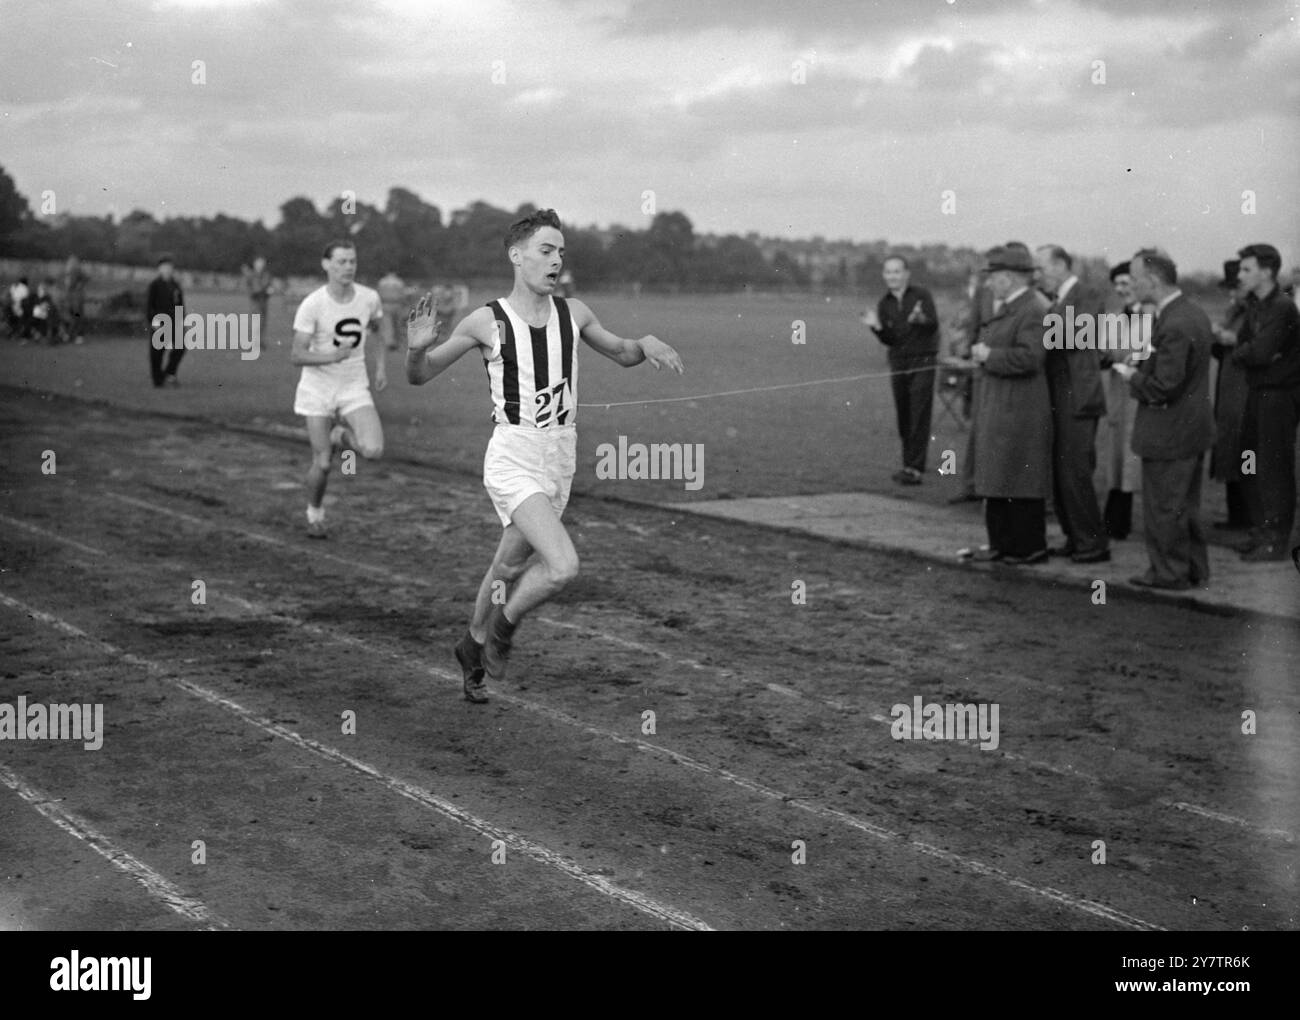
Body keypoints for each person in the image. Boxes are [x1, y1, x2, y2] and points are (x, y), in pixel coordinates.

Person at [404, 208, 684, 704]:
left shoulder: (573, 313)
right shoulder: (485, 320)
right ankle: (503, 629)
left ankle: (471, 643)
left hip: (560, 458)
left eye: (561, 252)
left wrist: (645, 342)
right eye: (546, 250)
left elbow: (620, 352)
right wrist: (414, 351)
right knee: (562, 566)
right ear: (517, 256)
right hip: (514, 457)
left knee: (508, 568)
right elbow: (420, 375)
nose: (556, 261)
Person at [1111, 249, 1214, 589]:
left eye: (1136, 278)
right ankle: (1194, 569)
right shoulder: (1192, 313)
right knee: (1185, 506)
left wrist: (1131, 376)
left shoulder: (1174, 321)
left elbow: (1164, 386)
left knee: (1164, 508)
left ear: (1153, 281)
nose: (1132, 285)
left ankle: (1168, 573)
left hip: (1169, 432)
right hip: (1189, 430)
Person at [289, 240, 387, 539]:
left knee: (372, 450)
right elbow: (296, 354)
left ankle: (340, 435)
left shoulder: (369, 298)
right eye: (341, 262)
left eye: (352, 262)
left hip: (354, 386)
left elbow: (378, 332)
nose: (348, 267)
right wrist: (331, 356)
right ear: (326, 265)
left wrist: (381, 365)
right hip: (317, 389)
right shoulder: (313, 304)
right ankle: (314, 513)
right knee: (323, 462)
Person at [965, 245, 1053, 564]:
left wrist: (990, 356)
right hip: (1003, 403)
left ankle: (1028, 547)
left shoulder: (1034, 309)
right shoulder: (1015, 306)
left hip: (1021, 407)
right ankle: (1003, 544)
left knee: (1018, 476)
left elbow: (1031, 357)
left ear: (1010, 278)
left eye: (994, 277)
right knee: (1001, 474)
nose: (989, 284)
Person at [1034, 245, 1109, 563]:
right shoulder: (1060, 300)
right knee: (1061, 472)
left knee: (1075, 471)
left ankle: (1093, 543)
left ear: (1061, 265)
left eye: (1041, 268)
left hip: (1078, 397)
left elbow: (1074, 336)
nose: (1038, 276)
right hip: (1061, 396)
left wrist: (1044, 313)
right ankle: (1075, 537)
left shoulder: (1086, 294)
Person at [1230, 243, 1300, 562]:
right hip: (1258, 391)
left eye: (1246, 269)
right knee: (1249, 461)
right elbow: (1247, 348)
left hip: (1279, 395)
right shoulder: (1255, 307)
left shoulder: (1283, 307)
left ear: (1267, 272)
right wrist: (1251, 352)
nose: (1240, 275)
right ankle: (1260, 531)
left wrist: (1251, 352)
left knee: (1273, 467)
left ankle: (1275, 539)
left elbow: (1254, 351)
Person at [864, 254, 939, 485]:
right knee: (904, 414)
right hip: (898, 362)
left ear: (906, 273)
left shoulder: (921, 296)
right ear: (884, 276)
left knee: (919, 413)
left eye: (897, 271)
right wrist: (876, 327)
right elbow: (890, 339)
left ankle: (915, 468)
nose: (892, 276)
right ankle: (908, 464)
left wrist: (920, 319)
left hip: (922, 361)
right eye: (888, 272)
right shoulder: (884, 304)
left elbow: (933, 324)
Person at [1096, 261, 1143, 539]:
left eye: (1126, 283)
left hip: (1138, 395)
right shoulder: (1116, 317)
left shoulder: (1151, 317)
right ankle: (1115, 518)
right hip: (1118, 395)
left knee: (1130, 455)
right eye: (1118, 284)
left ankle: (1120, 520)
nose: (1121, 289)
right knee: (1115, 454)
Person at [1208, 260, 1253, 532]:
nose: (1232, 294)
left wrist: (1227, 338)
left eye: (1235, 288)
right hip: (1229, 387)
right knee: (1229, 447)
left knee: (1243, 447)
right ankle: (1237, 514)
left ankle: (1248, 514)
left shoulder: (1255, 313)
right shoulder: (1233, 311)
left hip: (1244, 388)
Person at [146, 255, 185, 387]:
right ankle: (158, 379)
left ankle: (169, 373)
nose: (168, 270)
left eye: (170, 267)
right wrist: (154, 322)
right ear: (160, 269)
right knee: (157, 352)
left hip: (174, 322)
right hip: (159, 322)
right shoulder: (155, 285)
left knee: (180, 347)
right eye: (165, 267)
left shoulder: (175, 285)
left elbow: (180, 305)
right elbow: (149, 306)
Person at [377, 270, 407, 350]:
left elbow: (379, 293)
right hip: (397, 303)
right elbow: (402, 294)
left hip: (385, 303)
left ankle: (389, 342)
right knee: (397, 324)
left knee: (387, 324)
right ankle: (397, 342)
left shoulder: (382, 281)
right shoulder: (399, 282)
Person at [62, 256, 89, 343]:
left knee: (77, 317)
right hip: (73, 301)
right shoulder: (71, 272)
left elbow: (85, 279)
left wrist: (79, 285)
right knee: (75, 317)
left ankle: (76, 335)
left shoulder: (74, 272)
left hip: (76, 301)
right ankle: (73, 335)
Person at [245, 256, 272, 325]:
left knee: (263, 318)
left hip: (263, 299)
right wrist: (253, 292)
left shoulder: (266, 275)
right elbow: (249, 287)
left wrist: (269, 291)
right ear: (255, 265)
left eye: (261, 264)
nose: (260, 266)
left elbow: (269, 286)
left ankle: (261, 333)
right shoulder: (251, 275)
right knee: (255, 316)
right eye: (258, 264)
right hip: (255, 299)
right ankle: (255, 333)